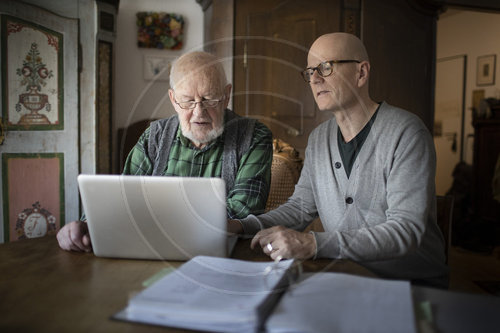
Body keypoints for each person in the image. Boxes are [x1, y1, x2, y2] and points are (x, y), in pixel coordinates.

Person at [230, 33, 448, 287]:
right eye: (310, 71)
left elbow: (406, 230)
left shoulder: (407, 132)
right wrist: (240, 226)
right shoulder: (319, 139)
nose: (315, 78)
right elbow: (300, 208)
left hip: (408, 283)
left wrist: (312, 243)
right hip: (345, 274)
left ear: (361, 73)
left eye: (326, 67)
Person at [58, 51, 273, 252]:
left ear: (226, 96)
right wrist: (88, 225)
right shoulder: (155, 136)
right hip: (154, 249)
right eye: (188, 100)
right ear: (173, 99)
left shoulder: (254, 136)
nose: (199, 112)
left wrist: (159, 221)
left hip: (224, 254)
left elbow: (243, 210)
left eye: (209, 99)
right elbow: (125, 194)